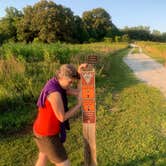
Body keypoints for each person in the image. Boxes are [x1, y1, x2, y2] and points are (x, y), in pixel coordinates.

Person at [33, 63, 87, 166]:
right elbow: (62, 117)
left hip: (40, 129)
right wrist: (79, 105)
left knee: (42, 157)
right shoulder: (55, 94)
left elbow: (78, 92)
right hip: (47, 134)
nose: (71, 85)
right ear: (62, 77)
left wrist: (79, 73)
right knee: (64, 164)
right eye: (70, 82)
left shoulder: (57, 83)